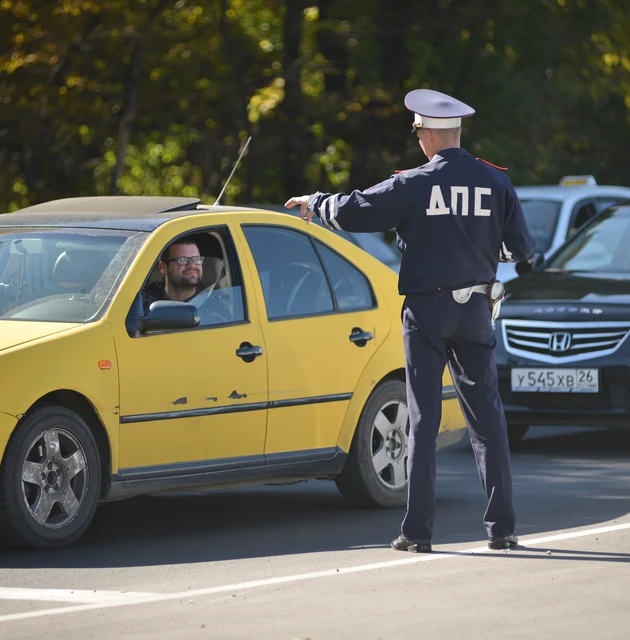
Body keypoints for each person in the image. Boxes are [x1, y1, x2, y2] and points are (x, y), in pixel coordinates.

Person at [285, 88, 535, 553]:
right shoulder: (495, 182)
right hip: (477, 309)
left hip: (427, 311)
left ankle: (417, 533)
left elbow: (356, 208)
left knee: (423, 419)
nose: (418, 140)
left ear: (429, 135)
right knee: (488, 419)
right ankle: (502, 528)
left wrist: (315, 202)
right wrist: (480, 253)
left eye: (418, 132)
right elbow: (521, 249)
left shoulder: (414, 183)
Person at [142, 237, 232, 323]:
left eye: (197, 259)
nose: (192, 265)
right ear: (163, 268)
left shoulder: (215, 308)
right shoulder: (145, 297)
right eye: (182, 260)